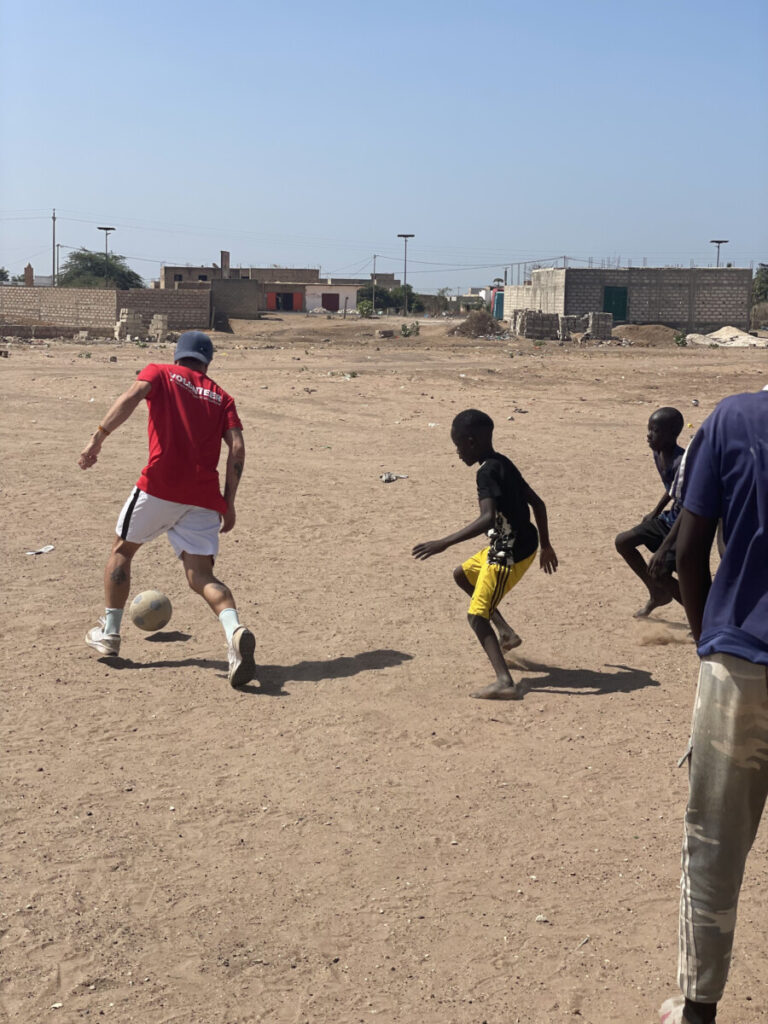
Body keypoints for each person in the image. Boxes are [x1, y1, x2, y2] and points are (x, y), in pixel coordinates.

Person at [659, 385, 768, 1024]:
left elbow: (687, 553)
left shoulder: (733, 419)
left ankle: (699, 1009)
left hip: (739, 664)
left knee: (715, 845)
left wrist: (708, 641)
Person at [78, 330, 256, 689]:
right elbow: (237, 449)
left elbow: (132, 395)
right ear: (208, 360)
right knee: (202, 578)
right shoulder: (222, 397)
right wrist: (229, 503)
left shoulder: (159, 372)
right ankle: (234, 632)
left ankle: (110, 633)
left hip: (159, 486)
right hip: (204, 498)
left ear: (178, 355)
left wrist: (98, 437)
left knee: (122, 551)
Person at [412, 408, 558, 700]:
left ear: (471, 441)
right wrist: (546, 545)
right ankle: (505, 632)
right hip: (516, 544)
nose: (457, 453)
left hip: (509, 553)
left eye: (457, 446)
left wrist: (443, 542)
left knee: (477, 617)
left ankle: (505, 681)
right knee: (462, 575)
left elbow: (487, 518)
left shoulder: (486, 472)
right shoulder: (502, 462)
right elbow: (538, 504)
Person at [615, 407, 685, 618]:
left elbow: (690, 506)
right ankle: (657, 594)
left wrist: (664, 547)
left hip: (686, 525)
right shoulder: (658, 452)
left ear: (671, 434)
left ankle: (700, 615)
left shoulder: (681, 463)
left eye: (654, 430)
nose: (648, 435)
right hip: (670, 518)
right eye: (649, 429)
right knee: (623, 541)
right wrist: (655, 511)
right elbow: (672, 488)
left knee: (662, 571)